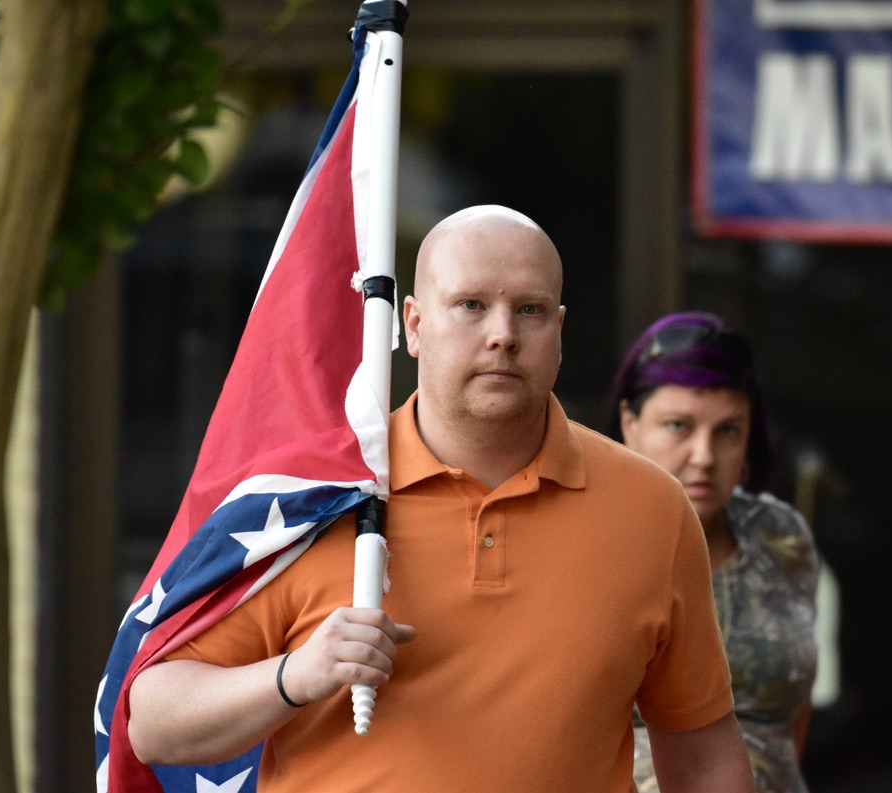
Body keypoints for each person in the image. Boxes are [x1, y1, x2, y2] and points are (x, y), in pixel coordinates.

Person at [128, 206, 756, 792]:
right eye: (471, 305)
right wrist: (295, 676)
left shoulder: (652, 508)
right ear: (413, 324)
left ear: (560, 331)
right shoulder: (314, 496)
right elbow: (152, 724)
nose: (503, 335)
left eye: (530, 310)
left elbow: (700, 750)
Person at [607, 311, 819, 793]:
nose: (704, 455)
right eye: (679, 426)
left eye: (727, 431)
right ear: (629, 422)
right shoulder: (583, 541)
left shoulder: (781, 537)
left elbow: (792, 712)